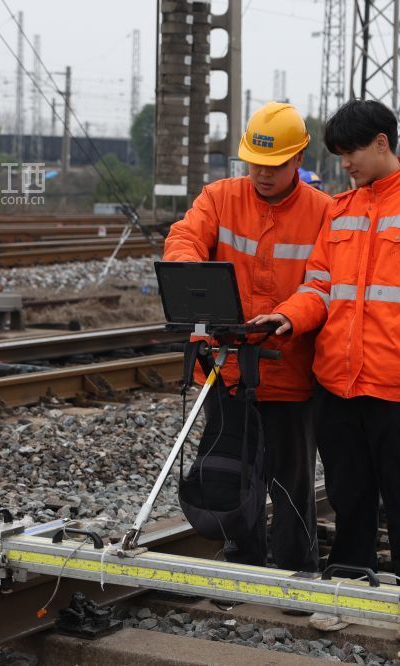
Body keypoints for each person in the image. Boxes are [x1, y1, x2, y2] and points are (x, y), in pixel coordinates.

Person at [250, 100, 400, 629]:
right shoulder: (341, 211)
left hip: (398, 387)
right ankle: (349, 594)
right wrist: (288, 317)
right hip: (337, 383)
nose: (344, 162)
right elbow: (320, 287)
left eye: (350, 151)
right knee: (349, 498)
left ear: (381, 143)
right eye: (338, 153)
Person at [163, 102, 332, 572]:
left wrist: (288, 316)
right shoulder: (219, 197)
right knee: (232, 477)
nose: (262, 173)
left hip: (290, 374)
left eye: (274, 165)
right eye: (255, 163)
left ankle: (297, 572)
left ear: (298, 160)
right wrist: (189, 278)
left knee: (292, 483)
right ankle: (241, 566)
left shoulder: (324, 212)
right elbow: (184, 238)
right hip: (229, 369)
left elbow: (323, 284)